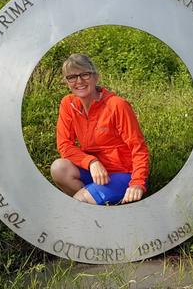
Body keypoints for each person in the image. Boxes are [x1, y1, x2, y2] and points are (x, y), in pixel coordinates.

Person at [50, 54, 150, 205]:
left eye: (85, 74)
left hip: (123, 173)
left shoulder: (117, 105)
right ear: (67, 82)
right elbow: (65, 145)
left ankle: (93, 199)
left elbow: (138, 147)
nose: (79, 81)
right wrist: (91, 162)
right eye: (72, 77)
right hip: (95, 171)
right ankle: (99, 203)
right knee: (59, 168)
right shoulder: (68, 104)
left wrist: (137, 182)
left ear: (96, 77)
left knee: (79, 201)